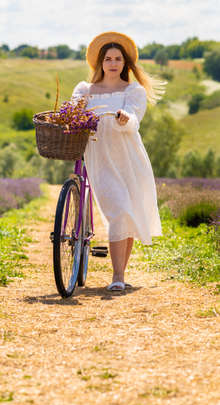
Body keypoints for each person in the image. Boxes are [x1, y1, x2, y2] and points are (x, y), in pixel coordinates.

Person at [71, 31, 164, 291]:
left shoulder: (133, 90)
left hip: (128, 156)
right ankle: (117, 276)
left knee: (128, 213)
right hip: (99, 156)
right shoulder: (84, 90)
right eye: (108, 58)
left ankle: (119, 275)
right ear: (100, 62)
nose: (113, 63)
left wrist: (125, 117)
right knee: (120, 209)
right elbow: (74, 111)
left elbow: (134, 118)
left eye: (118, 59)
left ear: (125, 64)